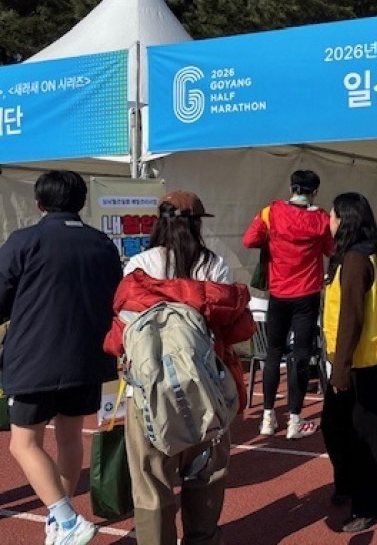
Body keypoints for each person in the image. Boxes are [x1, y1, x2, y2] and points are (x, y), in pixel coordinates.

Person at [103, 190, 254, 545]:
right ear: (198, 224)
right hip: (204, 386)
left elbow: (123, 331)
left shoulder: (138, 265)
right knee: (206, 474)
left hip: (148, 391)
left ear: (160, 223)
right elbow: (233, 329)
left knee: (151, 481)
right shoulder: (214, 266)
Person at [0, 170, 122, 545]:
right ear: (81, 202)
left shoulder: (24, 241)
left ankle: (66, 520)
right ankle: (61, 516)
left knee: (23, 443)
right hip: (88, 358)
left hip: (34, 359)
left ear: (39, 203)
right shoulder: (102, 244)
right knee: (69, 437)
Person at [321, 192, 377, 534]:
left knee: (366, 436)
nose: (329, 221)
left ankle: (371, 505)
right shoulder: (360, 254)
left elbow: (351, 318)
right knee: (336, 427)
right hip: (359, 360)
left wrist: (340, 370)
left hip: (361, 363)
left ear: (344, 219)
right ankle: (349, 484)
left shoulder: (355, 259)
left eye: (332, 215)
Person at [242, 170, 334, 440]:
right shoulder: (321, 218)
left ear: (292, 188)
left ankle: (267, 417)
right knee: (302, 356)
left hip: (279, 294)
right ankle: (295, 419)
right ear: (314, 192)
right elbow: (331, 250)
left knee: (273, 354)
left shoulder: (270, 212)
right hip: (307, 295)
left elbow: (249, 240)